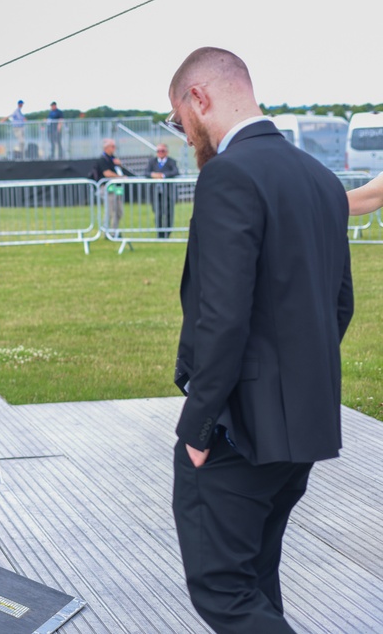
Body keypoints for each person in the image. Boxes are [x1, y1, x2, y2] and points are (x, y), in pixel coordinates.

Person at [167, 47, 353, 633]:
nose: (183, 135)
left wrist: (198, 428)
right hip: (301, 425)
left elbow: (221, 318)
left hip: (237, 432)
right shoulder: (320, 178)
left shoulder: (228, 173)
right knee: (255, 579)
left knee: (223, 591)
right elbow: (339, 303)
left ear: (200, 98)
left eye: (178, 121)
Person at [90, 138, 129, 232]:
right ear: (106, 147)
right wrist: (120, 177)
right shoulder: (102, 160)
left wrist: (120, 165)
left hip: (116, 188)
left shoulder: (113, 159)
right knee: (110, 211)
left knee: (119, 212)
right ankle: (106, 231)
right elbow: (107, 173)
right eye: (112, 146)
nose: (114, 148)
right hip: (107, 188)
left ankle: (114, 231)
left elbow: (119, 171)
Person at [145, 143, 180, 238]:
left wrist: (163, 175)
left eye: (162, 151)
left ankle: (167, 232)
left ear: (167, 152)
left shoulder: (171, 161)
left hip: (168, 192)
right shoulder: (152, 161)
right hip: (156, 192)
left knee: (169, 212)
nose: (160, 153)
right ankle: (159, 233)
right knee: (158, 212)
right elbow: (146, 172)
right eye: (158, 151)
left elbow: (175, 171)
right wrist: (153, 175)